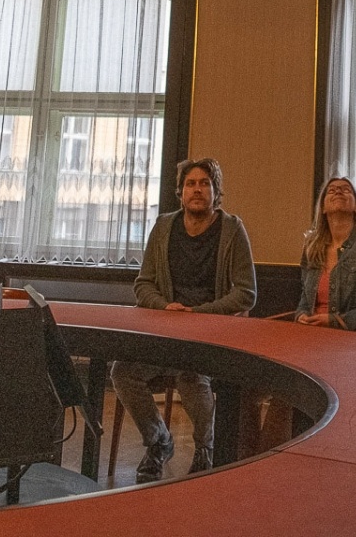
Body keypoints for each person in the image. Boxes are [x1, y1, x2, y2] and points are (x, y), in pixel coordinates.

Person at [112, 158, 256, 482]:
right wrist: (165, 307)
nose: (197, 190)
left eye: (205, 183)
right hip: (165, 330)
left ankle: (205, 449)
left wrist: (202, 313)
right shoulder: (164, 227)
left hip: (209, 334)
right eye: (191, 183)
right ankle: (158, 442)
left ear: (216, 191)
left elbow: (246, 293)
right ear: (180, 192)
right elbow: (143, 284)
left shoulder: (232, 229)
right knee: (123, 371)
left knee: (190, 374)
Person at [294, 177, 356, 331]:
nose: (338, 191)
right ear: (323, 207)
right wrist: (301, 314)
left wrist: (336, 321)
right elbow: (306, 297)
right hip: (311, 334)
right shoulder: (311, 247)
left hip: (353, 338)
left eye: (346, 190)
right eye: (331, 190)